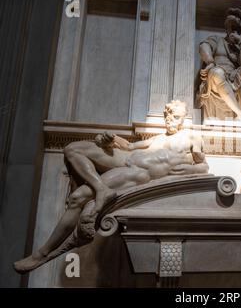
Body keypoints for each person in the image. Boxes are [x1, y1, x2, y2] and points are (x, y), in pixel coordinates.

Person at [14, 100, 209, 273]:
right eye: (167, 116)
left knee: (78, 198)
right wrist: (110, 139)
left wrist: (189, 170)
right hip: (126, 159)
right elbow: (130, 147)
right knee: (72, 149)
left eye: (175, 117)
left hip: (138, 173)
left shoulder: (191, 137)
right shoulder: (158, 138)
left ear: (183, 119)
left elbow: (204, 166)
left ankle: (42, 253)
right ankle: (101, 189)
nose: (170, 120)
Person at [198, 7, 241, 126]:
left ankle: (239, 115)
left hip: (235, 78)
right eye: (230, 27)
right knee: (218, 73)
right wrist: (210, 61)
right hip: (216, 76)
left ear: (239, 31)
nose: (232, 31)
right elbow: (203, 46)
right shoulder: (217, 40)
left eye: (235, 28)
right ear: (226, 28)